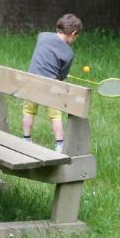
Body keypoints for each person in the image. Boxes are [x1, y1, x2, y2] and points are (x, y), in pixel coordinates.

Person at [23, 14, 83, 153]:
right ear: (73, 33)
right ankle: (59, 144)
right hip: (50, 86)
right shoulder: (68, 53)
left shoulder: (42, 36)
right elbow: (61, 77)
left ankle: (26, 139)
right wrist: (61, 75)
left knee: (28, 111)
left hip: (30, 81)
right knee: (55, 115)